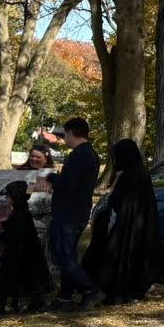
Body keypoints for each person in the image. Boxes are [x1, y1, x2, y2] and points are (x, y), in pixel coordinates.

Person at [84, 139, 164, 304]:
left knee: (123, 255)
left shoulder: (133, 176)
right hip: (133, 225)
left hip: (128, 225)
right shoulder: (136, 174)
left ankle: (123, 289)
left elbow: (124, 202)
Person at [49, 117, 104, 311]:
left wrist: (52, 177)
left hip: (68, 213)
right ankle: (64, 297)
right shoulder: (91, 154)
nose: (64, 139)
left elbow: (67, 185)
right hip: (79, 211)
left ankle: (89, 290)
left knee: (63, 256)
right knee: (69, 255)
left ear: (72, 133)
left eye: (65, 134)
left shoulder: (79, 156)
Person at [0, 180, 52, 312]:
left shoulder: (20, 214)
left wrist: (0, 234)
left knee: (7, 279)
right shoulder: (22, 213)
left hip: (18, 254)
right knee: (28, 280)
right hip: (25, 255)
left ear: (14, 197)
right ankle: (33, 302)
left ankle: (0, 305)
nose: (6, 199)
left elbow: (16, 235)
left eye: (8, 196)